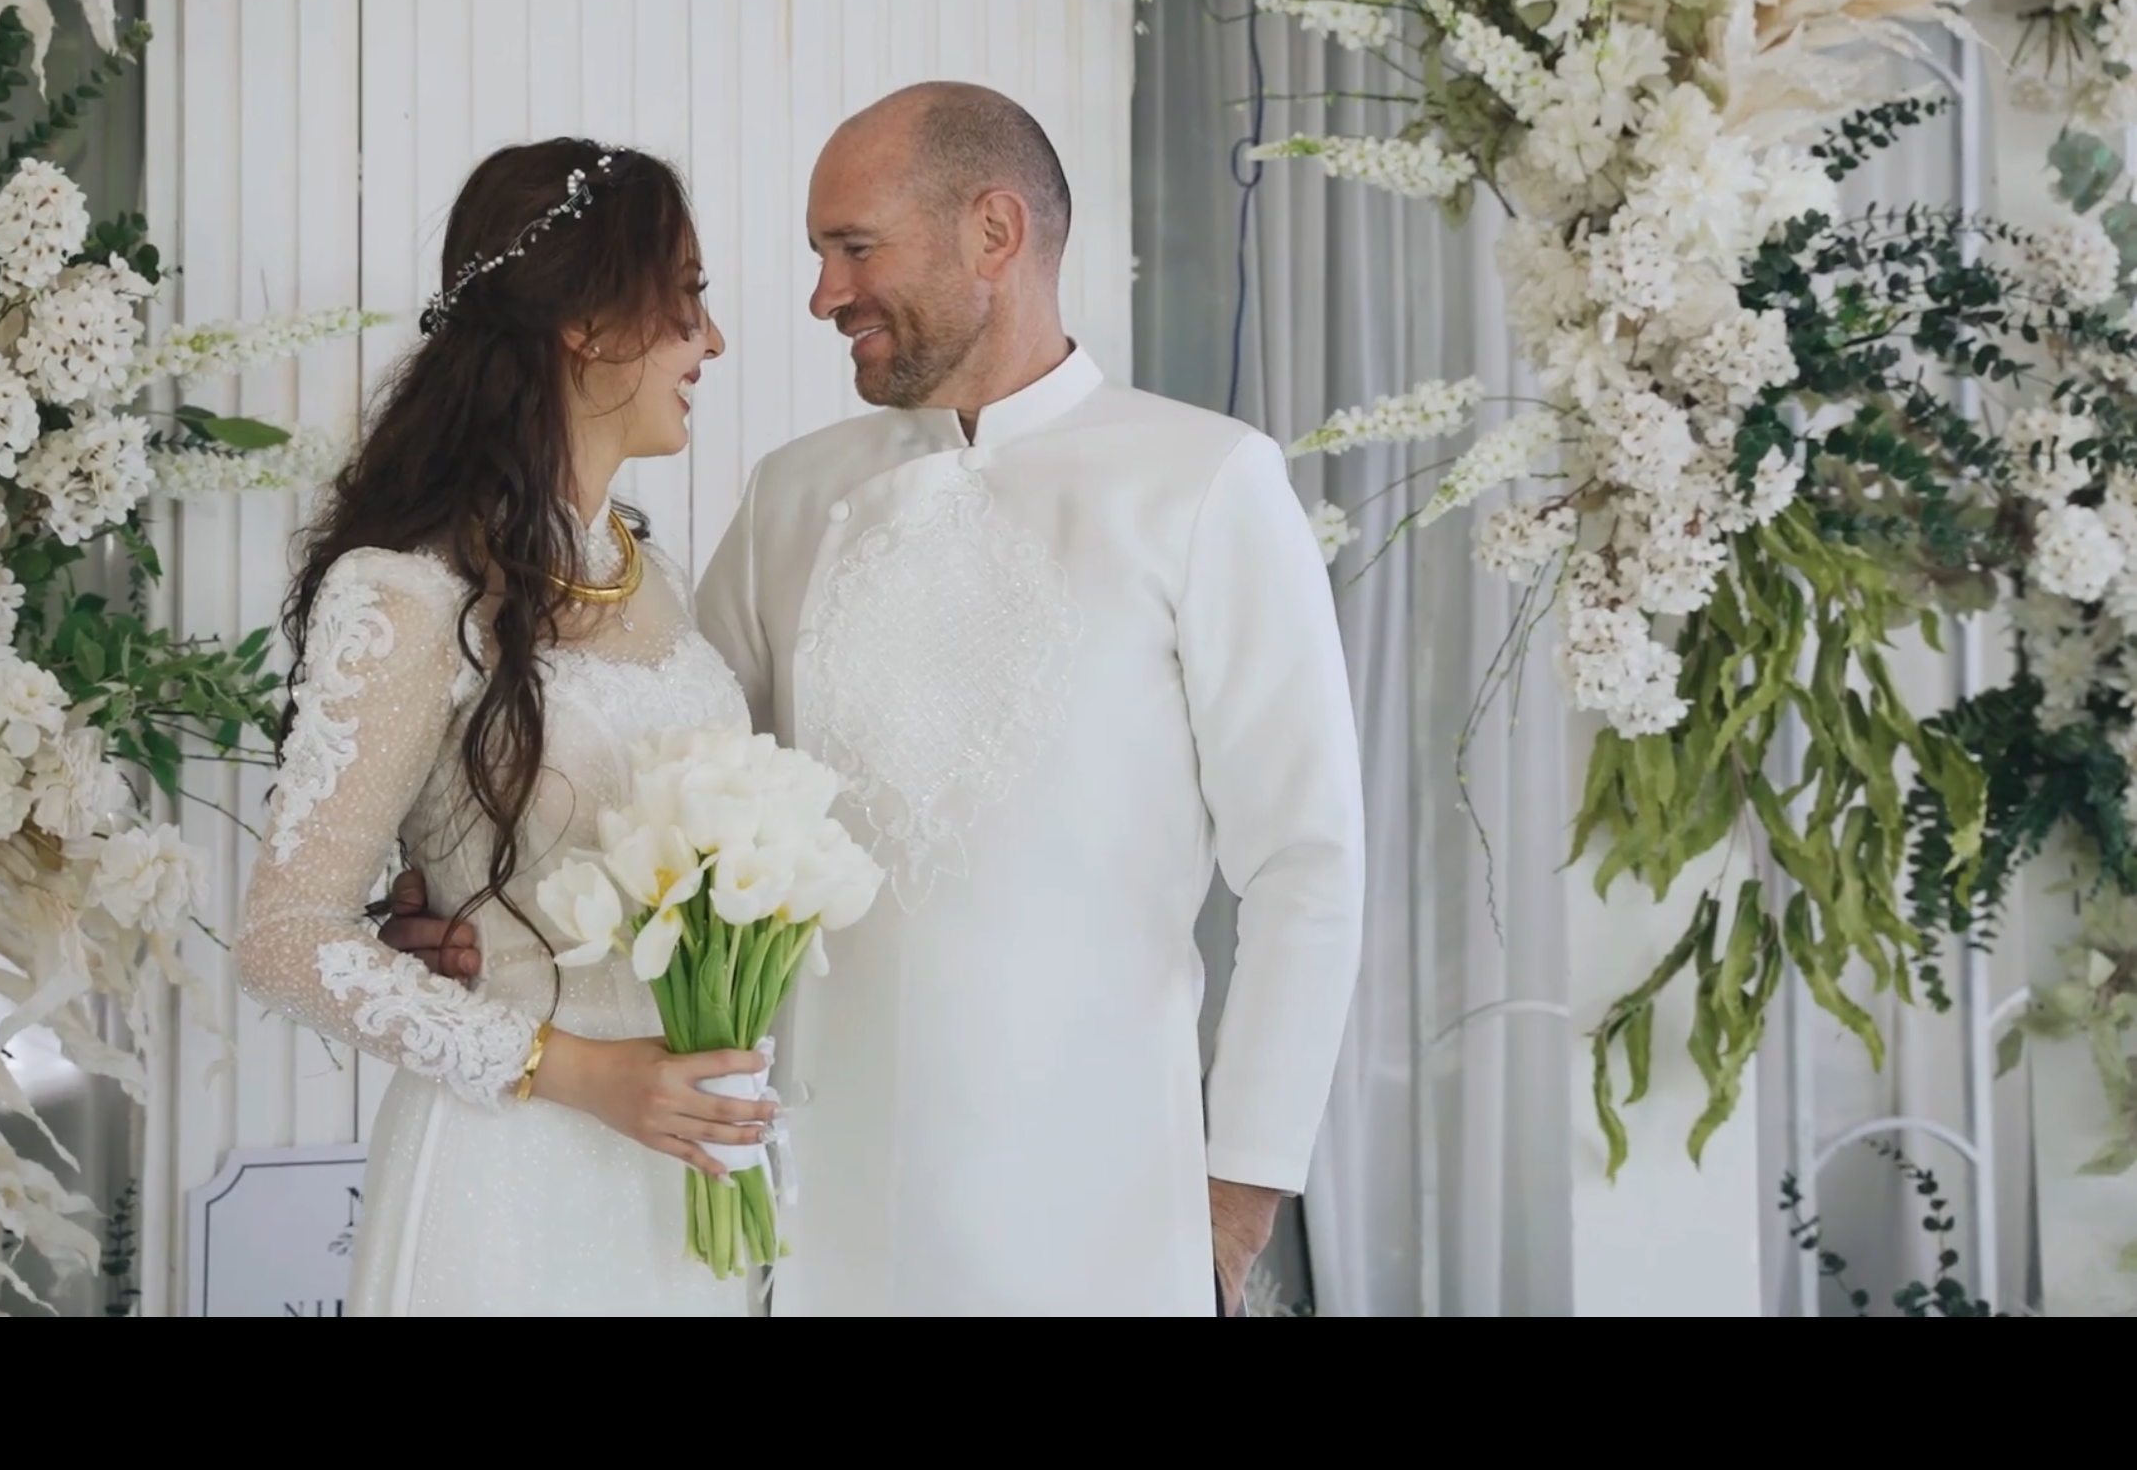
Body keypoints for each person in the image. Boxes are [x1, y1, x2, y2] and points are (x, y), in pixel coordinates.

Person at [381, 84, 1367, 1315]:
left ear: (993, 233)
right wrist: (468, 901)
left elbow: (1306, 863)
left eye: (853, 248)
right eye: (818, 255)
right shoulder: (793, 493)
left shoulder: (1205, 482)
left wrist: (1238, 1195)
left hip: (1095, 1200)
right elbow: (654, 776)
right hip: (806, 1200)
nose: (822, 296)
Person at [235, 139, 772, 1316]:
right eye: (686, 299)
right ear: (586, 323)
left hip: (680, 1179)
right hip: (512, 1175)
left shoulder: (654, 577)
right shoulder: (405, 594)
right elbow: (282, 938)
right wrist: (573, 1071)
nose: (713, 342)